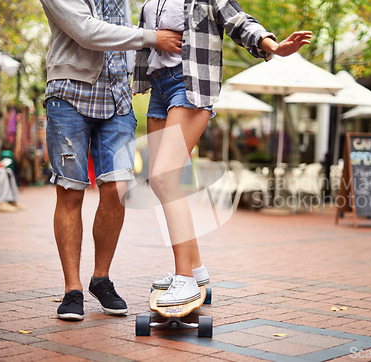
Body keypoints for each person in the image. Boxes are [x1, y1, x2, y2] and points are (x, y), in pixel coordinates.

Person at [133, 0, 311, 306]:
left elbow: (240, 22)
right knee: (162, 184)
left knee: (164, 179)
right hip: (159, 88)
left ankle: (184, 279)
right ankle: (195, 270)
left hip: (189, 85)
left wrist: (275, 47)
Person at [39, 0, 184, 321]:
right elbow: (86, 31)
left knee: (118, 187)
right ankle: (72, 289)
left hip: (117, 97)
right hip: (68, 94)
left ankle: (100, 279)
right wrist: (151, 37)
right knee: (71, 190)